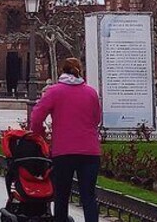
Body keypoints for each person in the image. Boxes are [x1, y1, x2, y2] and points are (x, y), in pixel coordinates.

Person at [29, 57, 101, 222]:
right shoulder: (90, 92)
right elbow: (96, 119)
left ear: (62, 70)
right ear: (79, 71)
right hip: (90, 151)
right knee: (88, 196)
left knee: (61, 195)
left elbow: (36, 118)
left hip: (63, 151)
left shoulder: (54, 91)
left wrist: (40, 134)